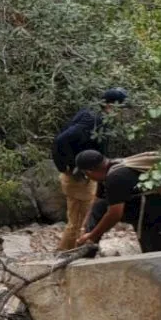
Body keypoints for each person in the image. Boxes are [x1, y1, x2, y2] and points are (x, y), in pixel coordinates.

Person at [52, 88, 129, 250]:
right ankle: (69, 253)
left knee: (83, 217)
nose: (124, 114)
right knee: (81, 220)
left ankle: (73, 251)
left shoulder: (95, 115)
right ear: (110, 106)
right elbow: (61, 141)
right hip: (79, 177)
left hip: (89, 173)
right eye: (121, 109)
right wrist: (71, 167)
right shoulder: (92, 119)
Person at [75, 149, 161, 253]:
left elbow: (114, 214)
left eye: (85, 175)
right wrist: (84, 228)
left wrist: (92, 236)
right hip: (147, 215)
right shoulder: (107, 171)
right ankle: (86, 253)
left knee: (156, 258)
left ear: (89, 172)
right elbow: (97, 202)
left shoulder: (116, 177)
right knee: (100, 206)